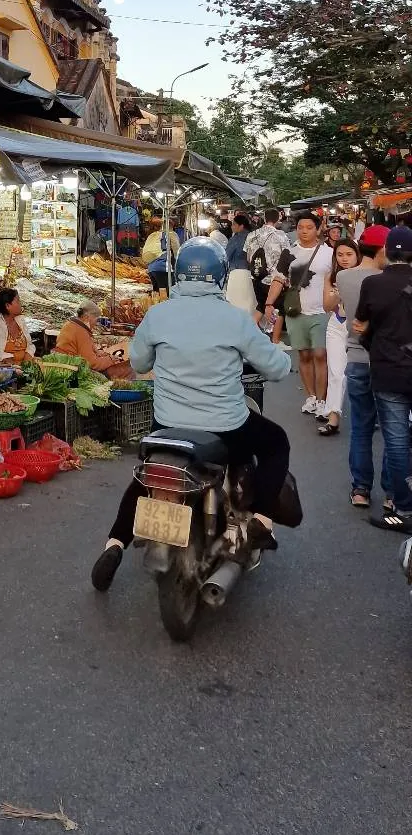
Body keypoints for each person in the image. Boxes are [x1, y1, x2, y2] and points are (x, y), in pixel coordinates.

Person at [90, 239, 292, 591]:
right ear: (220, 276)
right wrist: (283, 356)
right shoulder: (235, 319)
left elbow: (138, 363)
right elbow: (275, 368)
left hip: (168, 426)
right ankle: (261, 518)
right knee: (277, 443)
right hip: (226, 427)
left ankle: (114, 544)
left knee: (144, 480)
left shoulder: (159, 314)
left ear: (178, 274)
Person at [353, 224, 412, 534]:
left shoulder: (374, 284)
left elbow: (360, 325)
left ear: (386, 253)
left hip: (388, 370)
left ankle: (403, 508)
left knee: (397, 441)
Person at [334, 224, 392, 511]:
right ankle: (392, 492)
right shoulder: (388, 279)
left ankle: (361, 490)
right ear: (383, 249)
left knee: (360, 427)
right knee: (394, 430)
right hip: (387, 361)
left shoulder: (344, 277)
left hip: (356, 357)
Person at [265, 213, 333, 415]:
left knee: (320, 355)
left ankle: (323, 400)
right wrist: (269, 303)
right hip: (296, 312)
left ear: (318, 229)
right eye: (300, 227)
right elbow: (278, 279)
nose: (304, 231)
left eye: (309, 227)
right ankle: (311, 397)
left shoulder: (329, 253)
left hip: (322, 312)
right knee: (304, 355)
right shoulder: (289, 252)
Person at [319, 238, 360, 434]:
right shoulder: (330, 276)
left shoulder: (365, 275)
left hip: (361, 326)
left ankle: (375, 413)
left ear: (357, 255)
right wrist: (337, 292)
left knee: (369, 371)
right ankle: (333, 417)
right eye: (340, 255)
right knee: (336, 372)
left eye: (349, 254)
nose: (344, 259)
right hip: (337, 325)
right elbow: (327, 306)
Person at [55, 302, 132, 379]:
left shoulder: (70, 325)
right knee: (126, 370)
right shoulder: (81, 332)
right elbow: (92, 363)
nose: (96, 323)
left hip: (65, 366)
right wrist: (110, 359)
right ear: (86, 317)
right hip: (73, 374)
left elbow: (83, 351)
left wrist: (98, 353)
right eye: (96, 319)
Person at [247, 207, 290, 339]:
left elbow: (248, 257)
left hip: (257, 277)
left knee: (261, 305)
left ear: (264, 218)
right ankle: (276, 340)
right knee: (278, 309)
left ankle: (249, 333)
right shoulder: (281, 236)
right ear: (278, 219)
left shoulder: (251, 235)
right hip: (275, 279)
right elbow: (287, 256)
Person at [223, 212, 256, 318]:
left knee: (235, 303)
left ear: (241, 226)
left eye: (234, 224)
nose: (232, 227)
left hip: (237, 273)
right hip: (251, 274)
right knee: (249, 301)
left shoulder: (236, 239)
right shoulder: (254, 236)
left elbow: (226, 256)